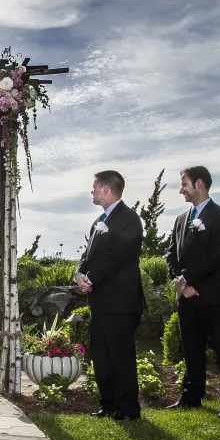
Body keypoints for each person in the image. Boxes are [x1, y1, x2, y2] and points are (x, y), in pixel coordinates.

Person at [164, 166, 220, 418]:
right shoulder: (180, 220)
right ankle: (191, 396)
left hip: (214, 296)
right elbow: (169, 254)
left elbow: (217, 256)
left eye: (184, 185)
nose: (181, 190)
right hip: (186, 296)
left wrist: (188, 279)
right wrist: (178, 281)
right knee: (190, 348)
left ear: (199, 183)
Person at [74, 170, 143, 421]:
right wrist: (79, 274)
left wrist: (92, 278)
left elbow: (119, 256)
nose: (91, 191)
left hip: (122, 301)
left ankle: (127, 408)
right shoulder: (97, 222)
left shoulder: (129, 218)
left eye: (94, 187)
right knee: (101, 355)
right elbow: (87, 256)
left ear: (105, 189)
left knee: (121, 356)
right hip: (100, 301)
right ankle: (108, 404)